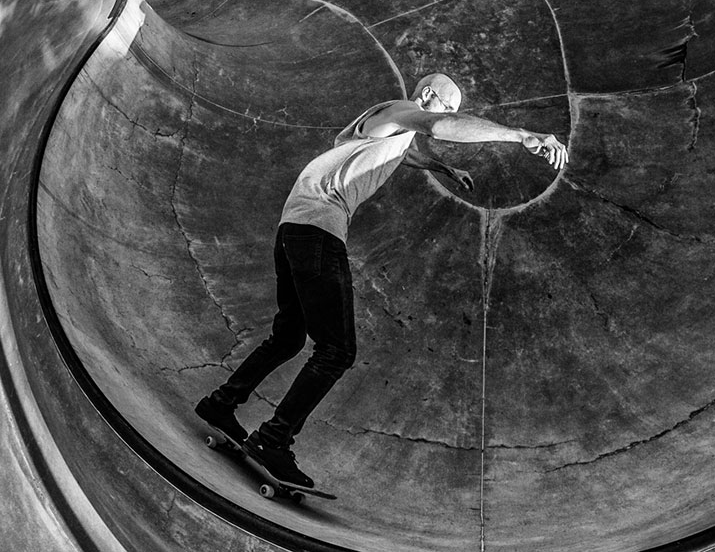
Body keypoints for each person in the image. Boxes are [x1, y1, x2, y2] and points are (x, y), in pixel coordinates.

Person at [195, 73, 568, 487]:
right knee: (336, 350)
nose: (448, 117)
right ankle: (273, 439)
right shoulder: (399, 110)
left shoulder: (385, 127)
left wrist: (441, 166)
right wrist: (519, 135)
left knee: (288, 337)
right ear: (427, 97)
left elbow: (403, 152)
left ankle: (221, 403)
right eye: (448, 107)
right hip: (320, 228)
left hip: (294, 227)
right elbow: (435, 126)